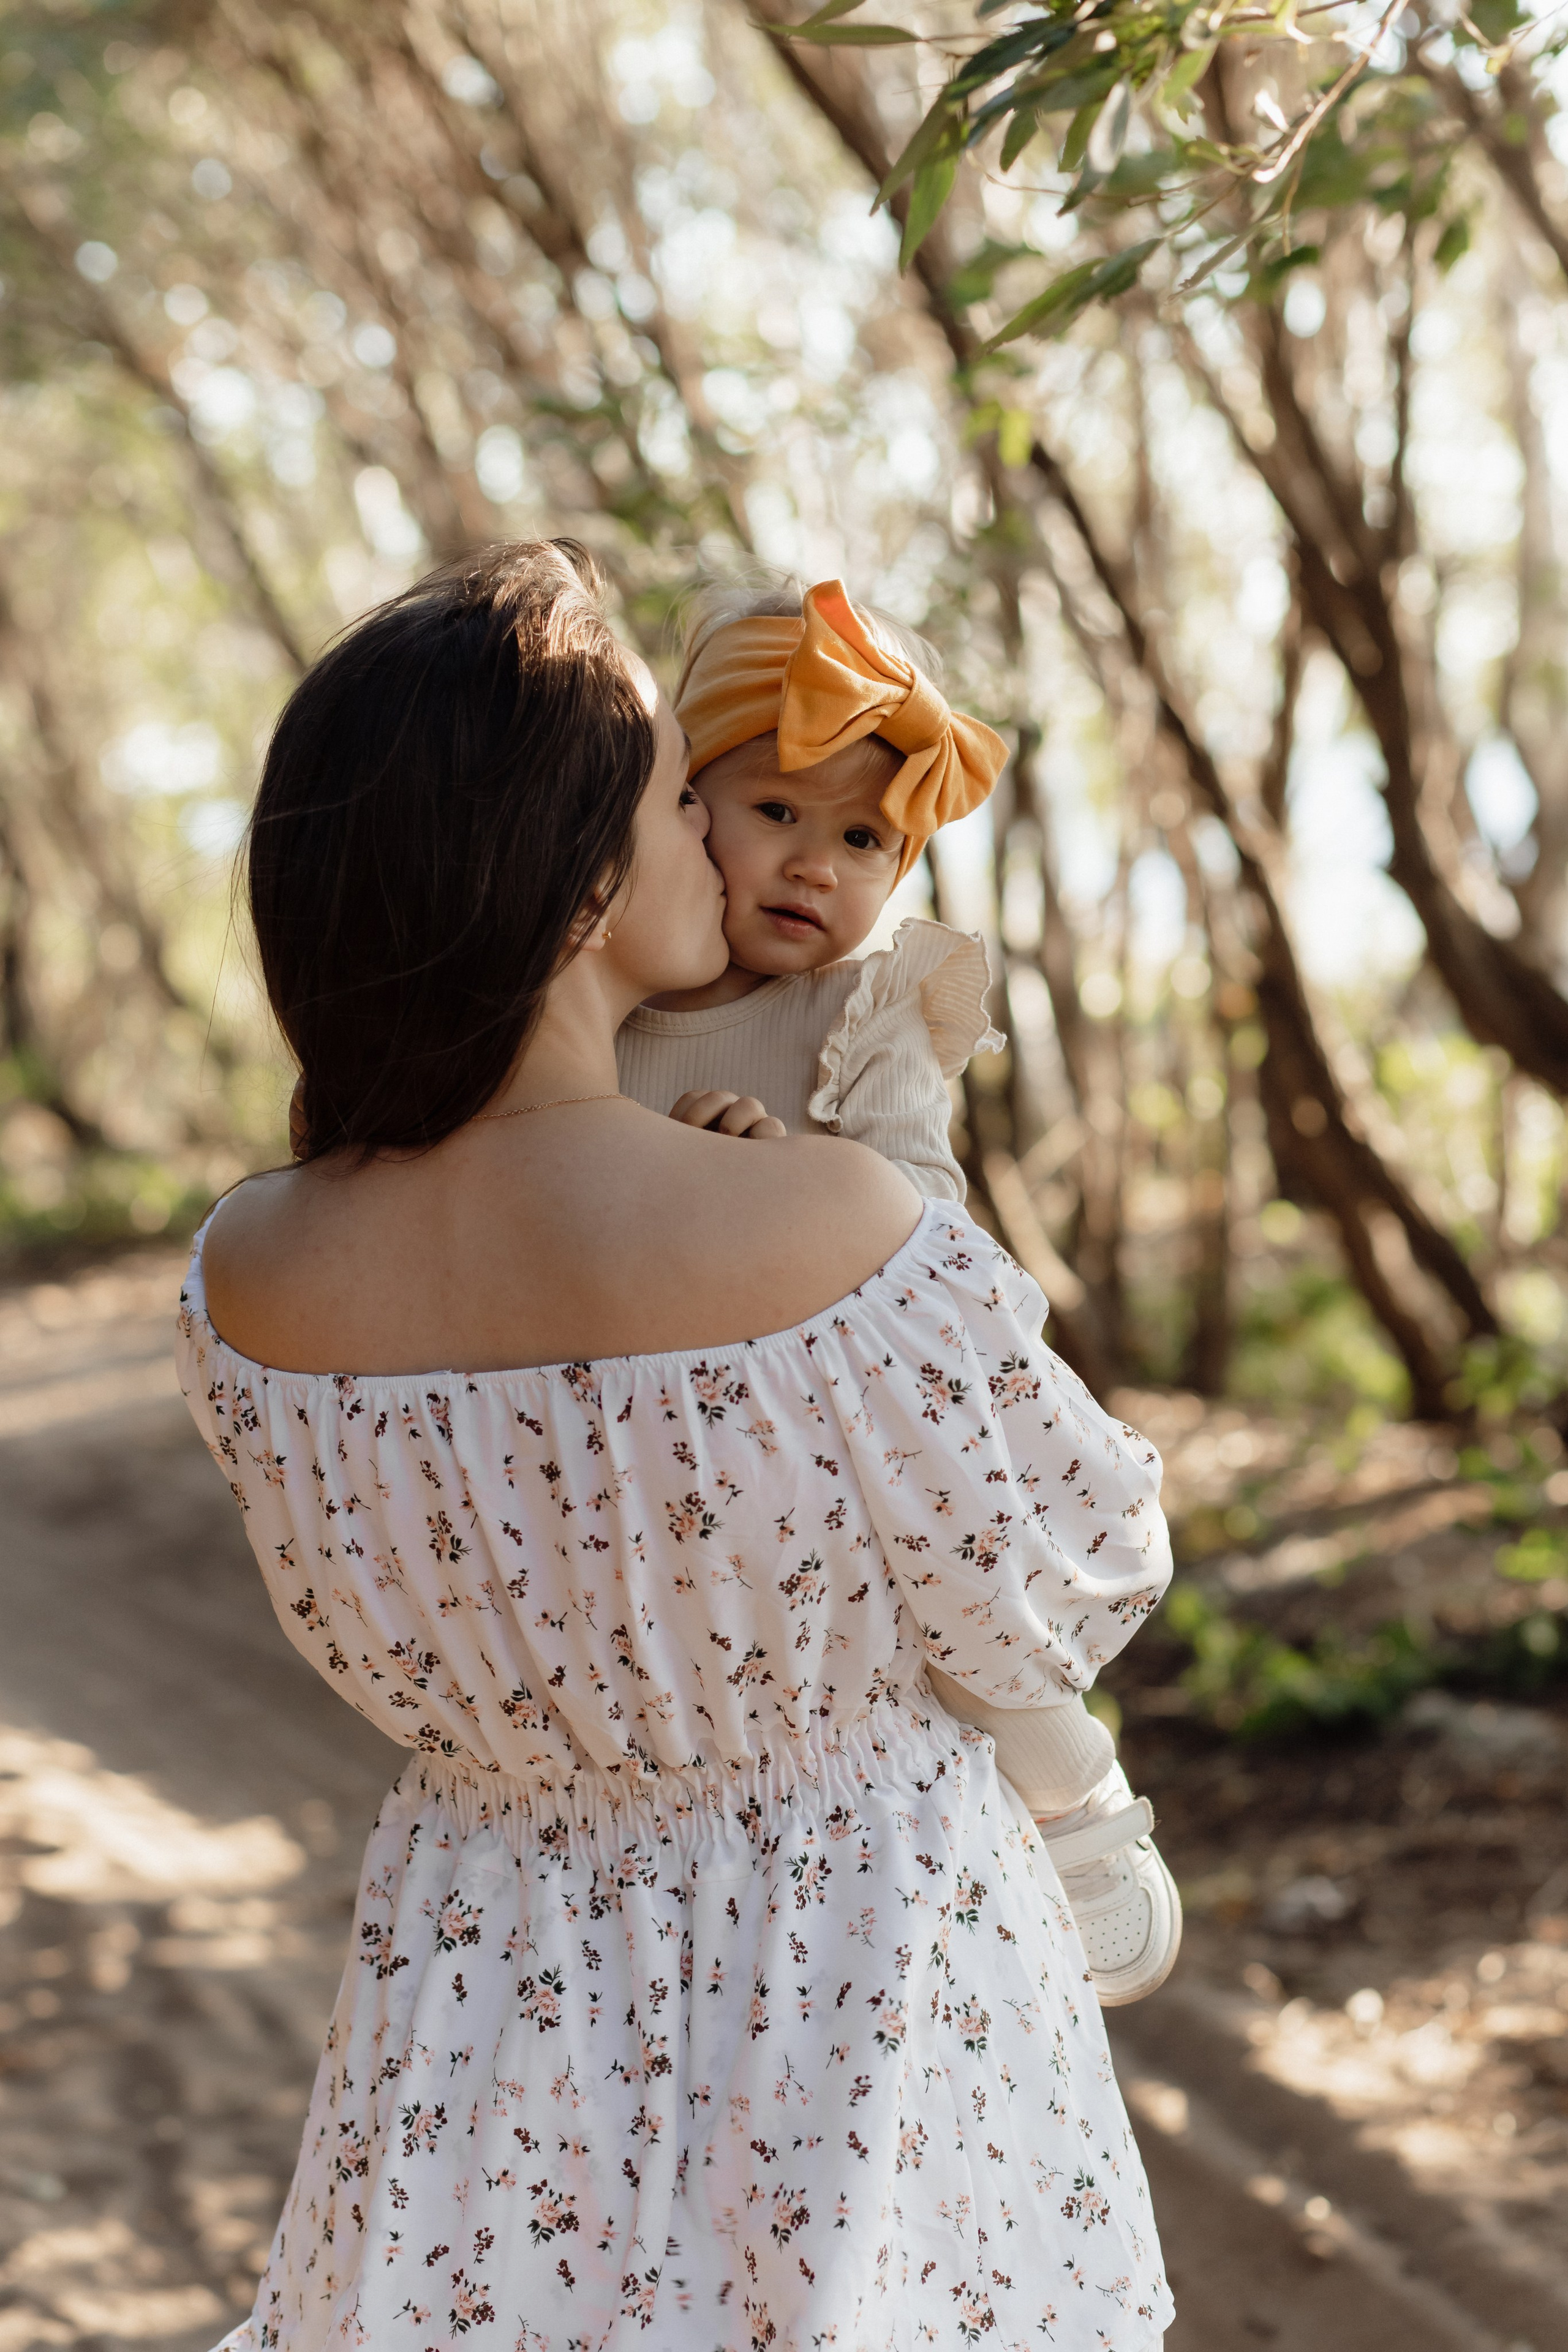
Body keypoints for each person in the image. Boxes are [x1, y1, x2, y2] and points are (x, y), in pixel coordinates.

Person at [181, 539, 1175, 2352]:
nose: (722, 845)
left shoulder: (245, 1282)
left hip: (488, 1989)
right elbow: (1077, 1560)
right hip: (858, 1969)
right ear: (569, 880)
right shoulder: (821, 1225)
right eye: (676, 799)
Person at [616, 571, 1179, 2006]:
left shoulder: (863, 1008)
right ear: (682, 809)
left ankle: (1068, 1783)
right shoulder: (598, 1010)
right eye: (775, 814)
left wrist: (793, 1170)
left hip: (838, 1388)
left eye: (862, 835)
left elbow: (926, 1227)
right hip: (664, 1417)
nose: (816, 865)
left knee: (926, 1550)